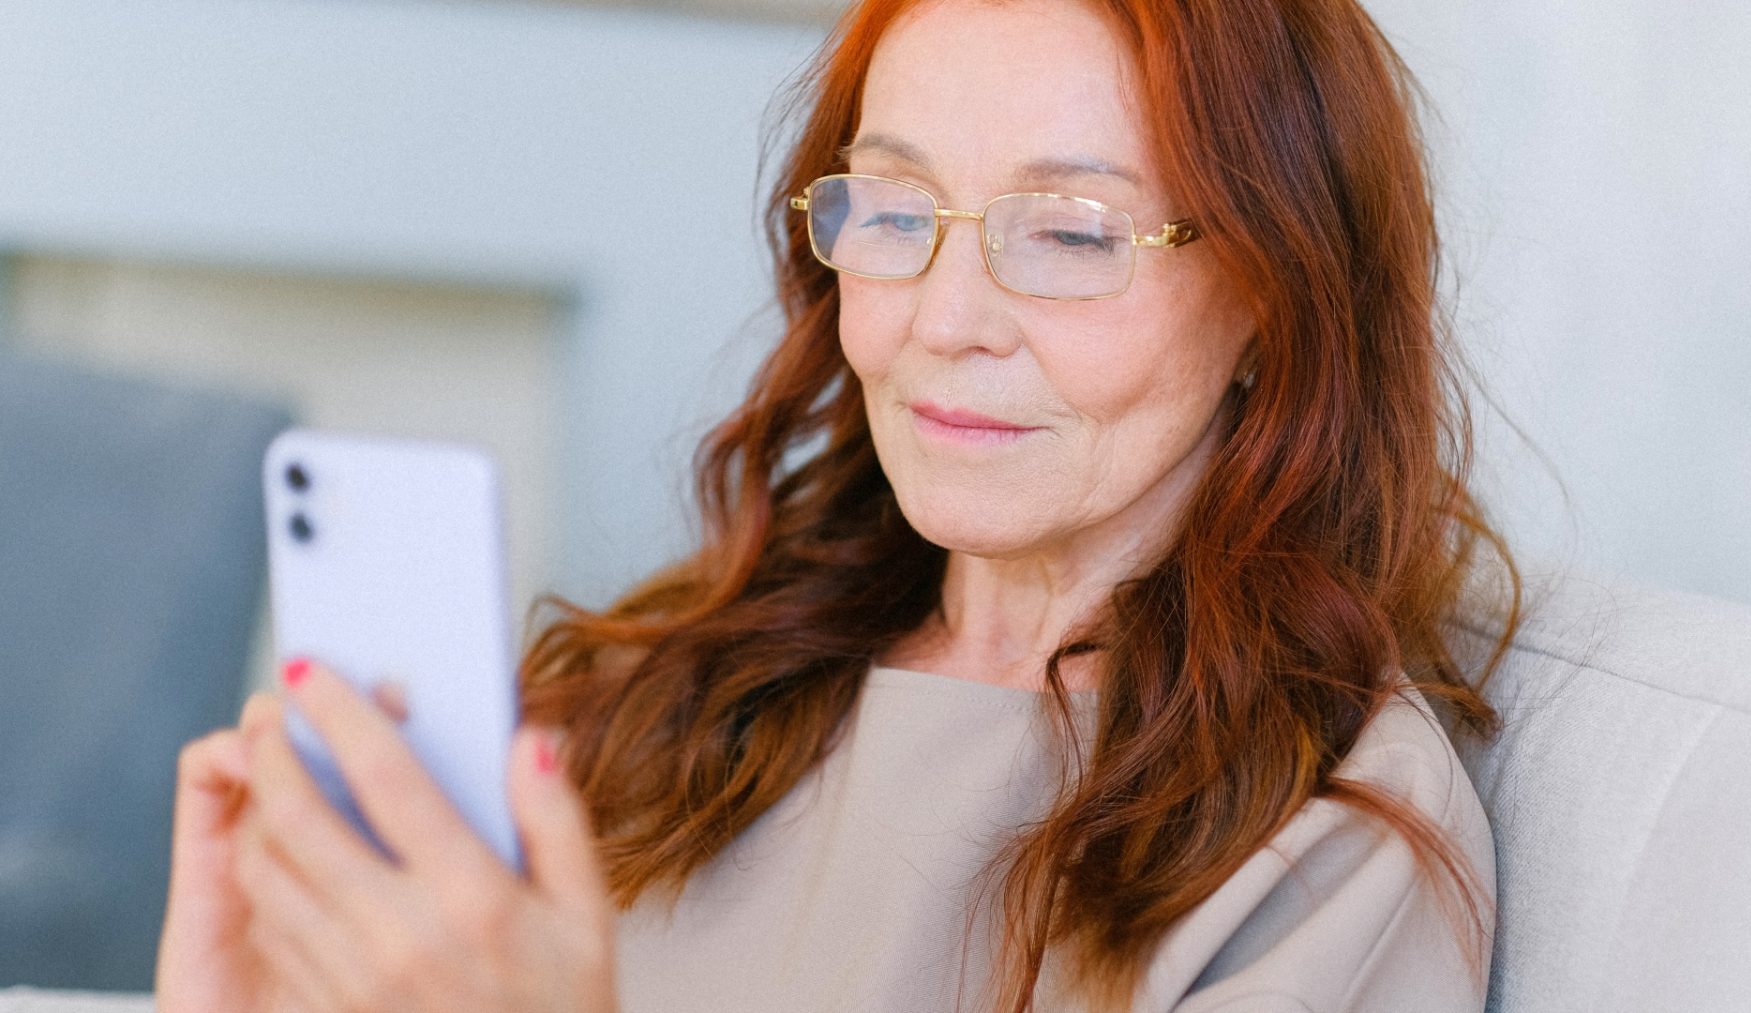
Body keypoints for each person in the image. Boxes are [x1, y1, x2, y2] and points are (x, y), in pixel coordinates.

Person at [154, 0, 1522, 1009]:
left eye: (1071, 232)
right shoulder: (694, 683)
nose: (944, 318)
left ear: (1276, 300)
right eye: (893, 206)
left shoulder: (1326, 829)